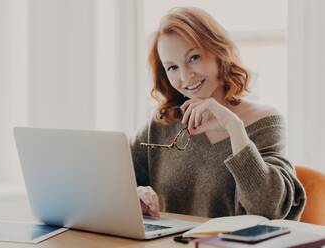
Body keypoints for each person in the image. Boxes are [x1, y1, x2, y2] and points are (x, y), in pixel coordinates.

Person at [131, 7, 306, 220]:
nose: (186, 77)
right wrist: (136, 194)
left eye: (193, 58)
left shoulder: (265, 122)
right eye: (172, 67)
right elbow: (113, 183)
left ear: (218, 51)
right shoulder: (162, 124)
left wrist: (234, 127)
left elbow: (267, 208)